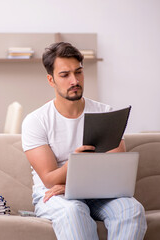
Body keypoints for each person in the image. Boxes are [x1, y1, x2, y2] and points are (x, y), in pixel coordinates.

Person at [21, 42, 147, 240]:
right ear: (51, 80)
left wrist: (77, 183)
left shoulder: (106, 113)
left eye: (78, 72)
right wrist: (76, 166)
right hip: (55, 194)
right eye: (65, 75)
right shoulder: (36, 121)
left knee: (131, 209)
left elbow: (116, 169)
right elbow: (49, 179)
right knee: (74, 212)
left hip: (100, 191)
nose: (74, 80)